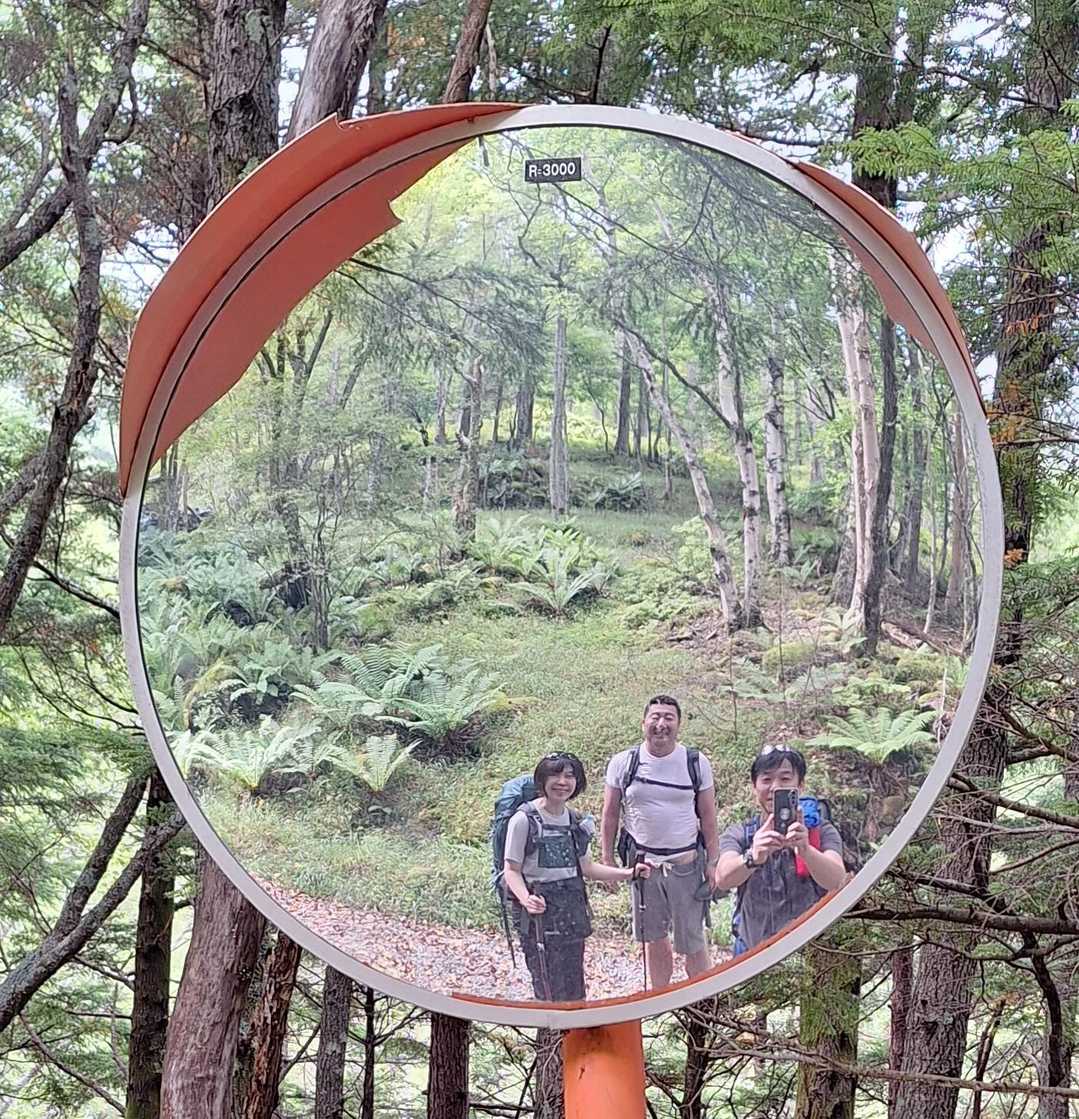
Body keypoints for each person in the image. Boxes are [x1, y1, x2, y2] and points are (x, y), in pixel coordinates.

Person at [503, 752, 650, 1001]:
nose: (562, 782)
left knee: (574, 982)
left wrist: (628, 874)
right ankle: (550, 1026)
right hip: (538, 912)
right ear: (542, 780)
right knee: (547, 984)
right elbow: (511, 870)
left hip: (571, 909)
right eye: (555, 775)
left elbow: (587, 867)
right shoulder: (523, 820)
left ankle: (576, 1023)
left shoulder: (576, 822)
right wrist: (526, 899)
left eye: (569, 776)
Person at [601, 695, 720, 989]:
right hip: (644, 867)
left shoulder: (695, 762)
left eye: (669, 717)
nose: (661, 724)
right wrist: (608, 860)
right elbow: (610, 814)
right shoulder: (624, 763)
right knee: (653, 937)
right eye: (655, 717)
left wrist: (713, 861)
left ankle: (704, 1000)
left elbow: (708, 815)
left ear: (679, 724)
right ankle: (660, 997)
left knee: (693, 939)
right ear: (644, 722)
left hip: (686, 864)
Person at [714, 744, 846, 954]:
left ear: (800, 785)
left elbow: (838, 881)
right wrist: (753, 856)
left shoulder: (820, 831)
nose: (775, 787)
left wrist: (806, 851)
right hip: (754, 953)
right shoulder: (741, 834)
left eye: (785, 779)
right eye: (766, 779)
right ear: (754, 786)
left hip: (811, 952)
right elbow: (722, 878)